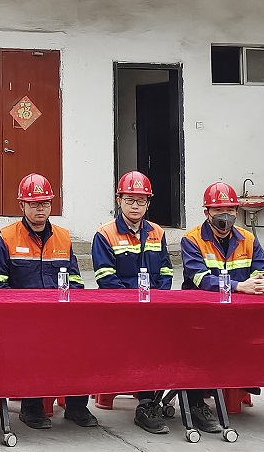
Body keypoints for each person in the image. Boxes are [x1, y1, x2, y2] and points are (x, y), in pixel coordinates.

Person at [0, 173, 97, 430]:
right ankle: (31, 407)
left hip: (59, 317)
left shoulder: (63, 237)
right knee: (29, 347)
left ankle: (76, 406)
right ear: (21, 205)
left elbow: (75, 280)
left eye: (45, 203)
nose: (40, 209)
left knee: (82, 344)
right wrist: (22, 312)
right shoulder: (6, 237)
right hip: (22, 319)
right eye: (34, 203)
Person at [179, 181, 264, 433]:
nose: (225, 216)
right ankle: (196, 402)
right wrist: (239, 286)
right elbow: (199, 278)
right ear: (207, 213)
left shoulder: (248, 238)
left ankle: (240, 382)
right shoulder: (191, 239)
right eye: (218, 211)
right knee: (197, 349)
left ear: (236, 211)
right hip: (200, 315)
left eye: (230, 210)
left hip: (237, 316)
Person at [91, 171, 174, 434]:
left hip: (153, 309)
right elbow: (106, 278)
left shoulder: (157, 232)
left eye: (141, 200)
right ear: (119, 201)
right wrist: (134, 303)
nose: (135, 206)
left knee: (170, 340)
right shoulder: (105, 234)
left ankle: (155, 398)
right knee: (143, 343)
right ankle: (147, 404)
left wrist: (157, 299)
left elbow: (166, 271)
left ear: (148, 203)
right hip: (120, 312)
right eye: (129, 200)